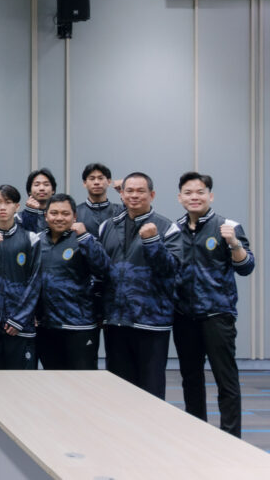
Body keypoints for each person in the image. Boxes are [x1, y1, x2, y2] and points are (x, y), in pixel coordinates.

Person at [173, 172, 254, 437]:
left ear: (211, 196)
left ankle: (231, 438)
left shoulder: (228, 226)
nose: (194, 197)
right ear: (180, 197)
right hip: (183, 315)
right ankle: (197, 436)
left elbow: (246, 267)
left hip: (217, 315)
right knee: (191, 379)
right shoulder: (174, 230)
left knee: (225, 379)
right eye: (188, 193)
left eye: (200, 192)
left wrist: (234, 243)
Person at [97, 172, 183, 399]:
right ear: (122, 194)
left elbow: (171, 269)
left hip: (151, 323)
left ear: (152, 195)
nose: (134, 195)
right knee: (119, 390)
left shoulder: (167, 228)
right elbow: (100, 271)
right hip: (116, 321)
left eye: (140, 191)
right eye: (130, 191)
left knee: (151, 391)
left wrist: (153, 241)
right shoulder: (107, 226)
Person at [36, 194, 110, 370]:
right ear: (46, 216)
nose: (59, 218)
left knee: (82, 380)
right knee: (53, 378)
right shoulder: (37, 241)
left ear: (74, 216)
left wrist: (84, 237)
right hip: (47, 325)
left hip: (79, 325)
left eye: (65, 213)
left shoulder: (84, 239)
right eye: (54, 213)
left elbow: (104, 269)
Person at [0, 185, 42, 370]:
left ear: (17, 206)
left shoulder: (31, 239)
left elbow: (35, 282)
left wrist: (20, 318)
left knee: (20, 382)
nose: (3, 207)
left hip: (20, 326)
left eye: (8, 202)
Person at [77, 163, 123, 237]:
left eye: (100, 178)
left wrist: (124, 191)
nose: (96, 182)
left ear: (109, 182)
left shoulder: (120, 211)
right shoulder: (76, 212)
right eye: (92, 179)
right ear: (85, 183)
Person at [19, 168, 57, 232]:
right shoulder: (19, 218)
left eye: (46, 184)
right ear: (29, 191)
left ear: (53, 190)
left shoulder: (60, 215)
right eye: (36, 185)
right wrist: (30, 213)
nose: (41, 188)